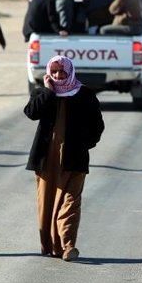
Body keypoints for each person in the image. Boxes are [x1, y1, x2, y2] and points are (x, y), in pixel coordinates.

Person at [24, 55, 104, 262]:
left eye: (63, 72)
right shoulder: (42, 93)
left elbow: (97, 126)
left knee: (71, 201)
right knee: (48, 203)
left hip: (74, 158)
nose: (59, 75)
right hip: (46, 160)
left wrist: (83, 144)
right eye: (56, 71)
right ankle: (51, 246)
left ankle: (68, 245)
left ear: (71, 72)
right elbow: (31, 113)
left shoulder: (84, 94)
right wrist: (49, 92)